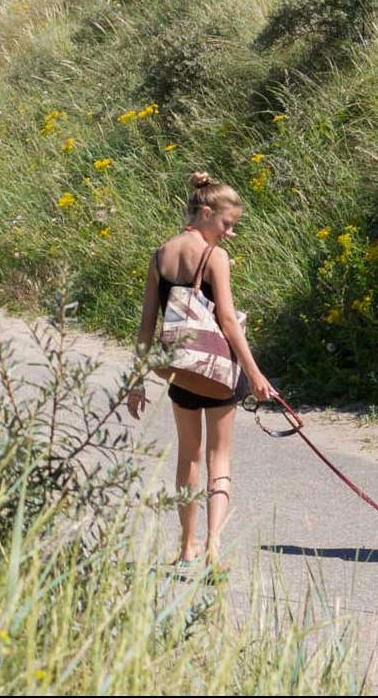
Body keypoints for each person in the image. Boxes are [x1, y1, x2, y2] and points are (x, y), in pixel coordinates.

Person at [128, 172, 274, 572]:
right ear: (206, 213)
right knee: (218, 457)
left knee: (187, 458)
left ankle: (186, 548)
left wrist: (137, 381)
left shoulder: (159, 256)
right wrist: (254, 373)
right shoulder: (214, 258)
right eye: (227, 224)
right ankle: (213, 544)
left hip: (179, 371)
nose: (230, 234)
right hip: (217, 373)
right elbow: (226, 320)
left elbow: (146, 326)